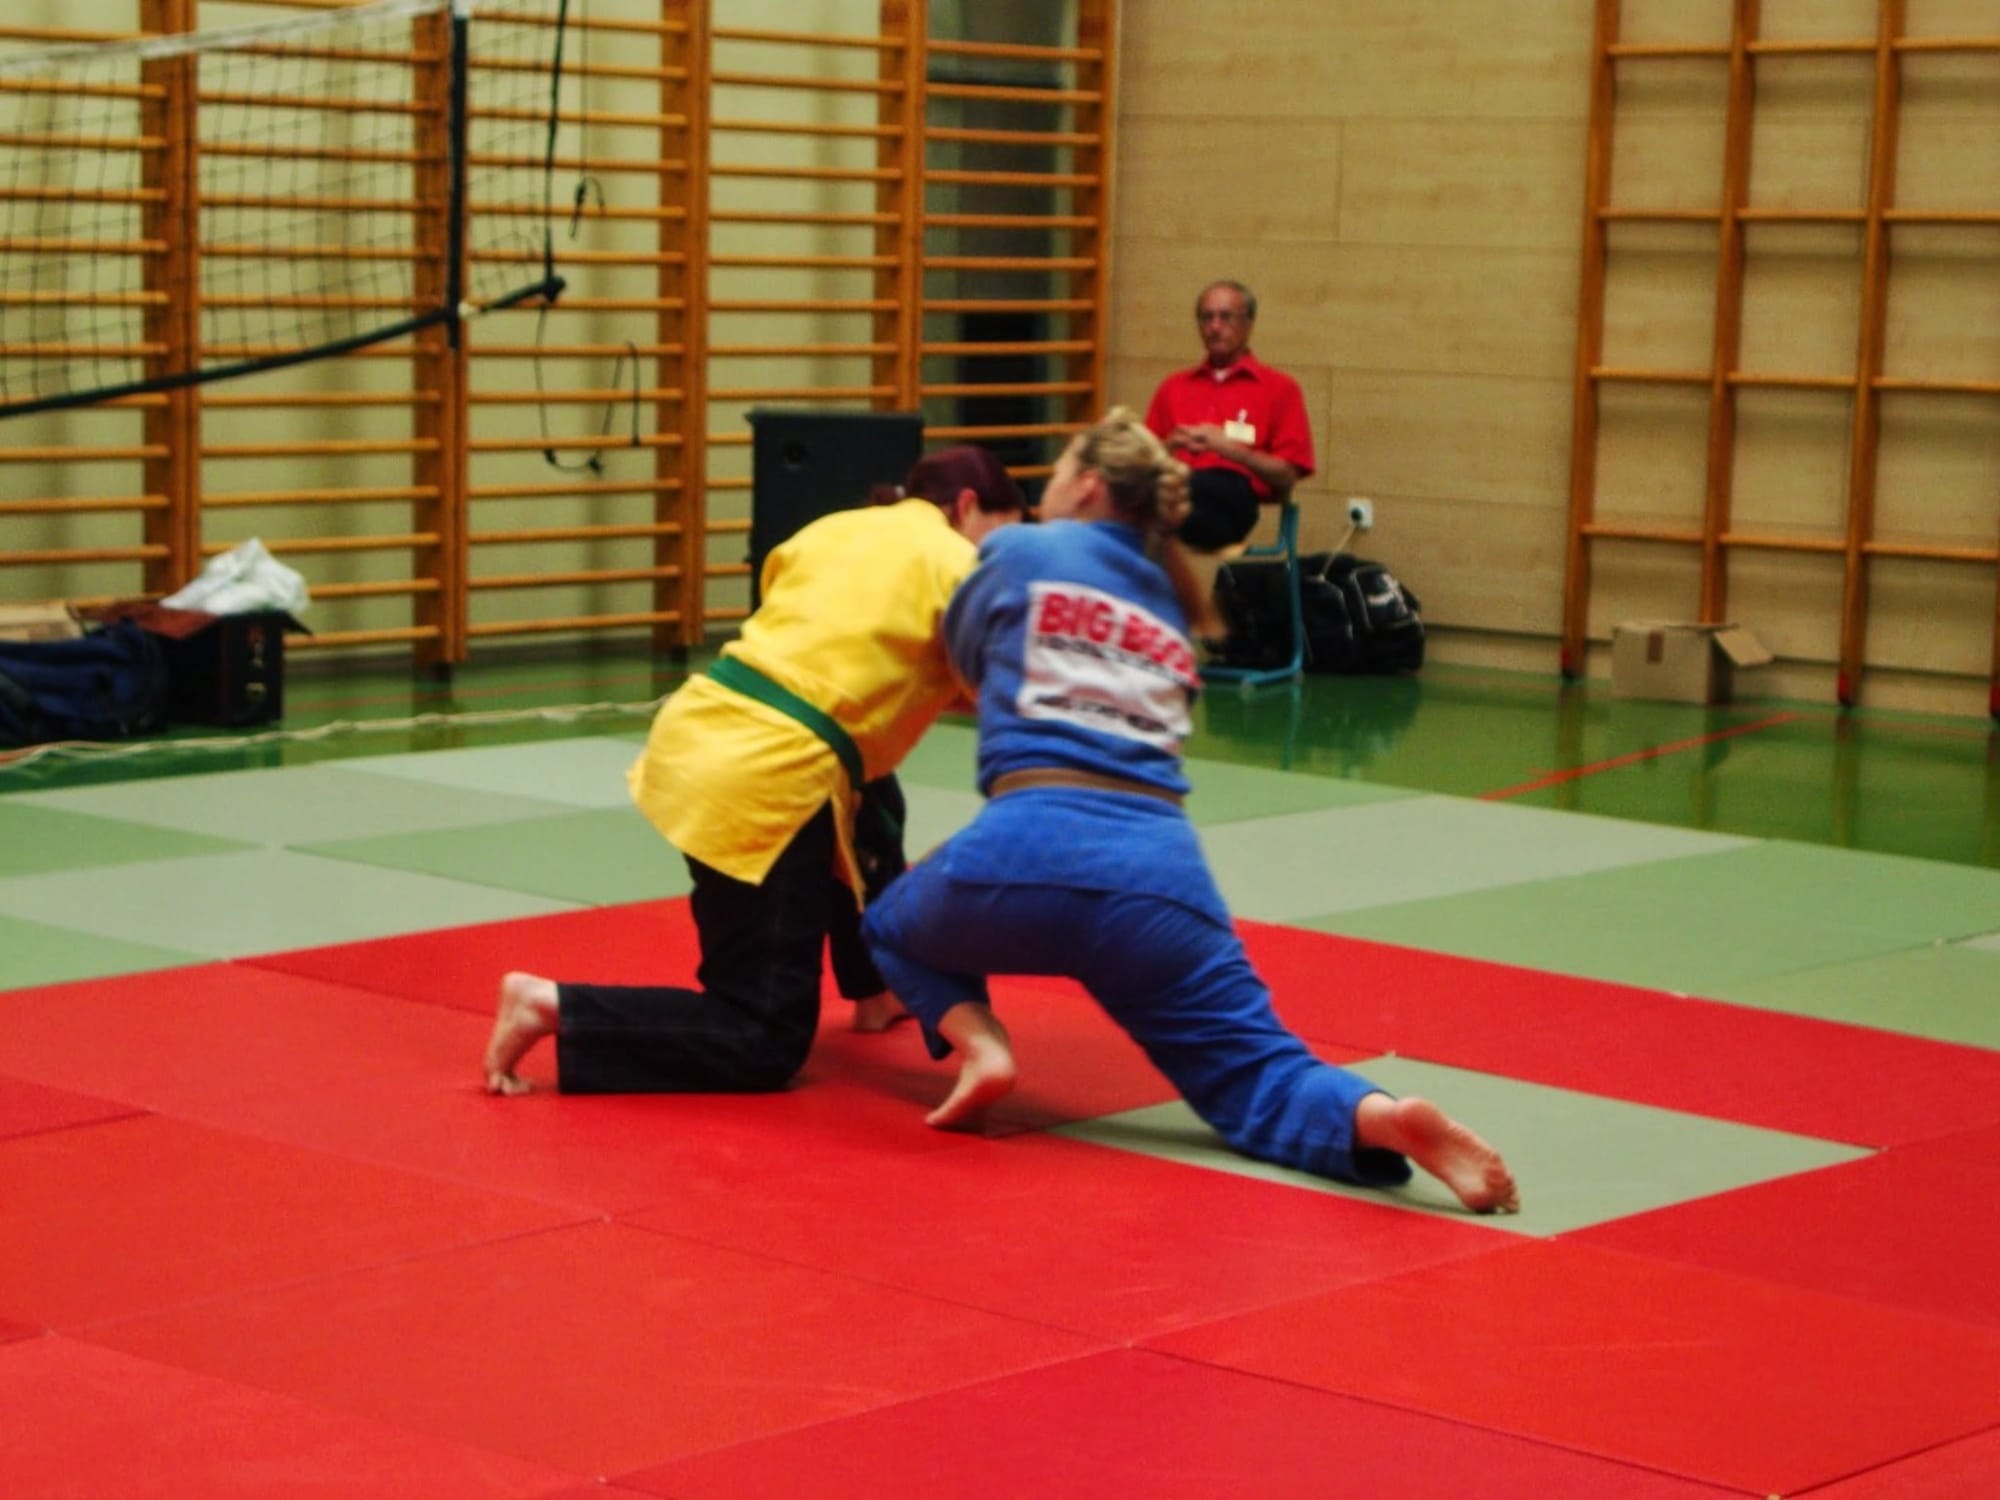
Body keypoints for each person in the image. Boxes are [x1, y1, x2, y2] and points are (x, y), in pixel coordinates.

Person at [860, 409, 1519, 1214]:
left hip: (1027, 847)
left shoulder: (1022, 550)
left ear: (1088, 485)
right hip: (1165, 878)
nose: (1044, 491)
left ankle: (982, 1047)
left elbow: (964, 655)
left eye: (1057, 472)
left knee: (888, 924)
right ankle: (1376, 1116)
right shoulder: (1170, 601)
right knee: (1256, 1071)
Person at [482, 447, 1026, 1096]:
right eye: (1006, 533)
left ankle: (874, 991)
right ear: (967, 506)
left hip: (705, 727)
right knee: (762, 1033)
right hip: (767, 771)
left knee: (873, 802)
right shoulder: (960, 564)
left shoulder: (833, 528)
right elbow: (992, 687)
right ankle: (553, 1006)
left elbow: (810, 637)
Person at [1144, 279, 1315, 553]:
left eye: (1225, 317)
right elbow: (1142, 463)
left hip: (1231, 497)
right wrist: (1170, 445)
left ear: (1248, 324)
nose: (1215, 327)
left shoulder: (1280, 389)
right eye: (1207, 318)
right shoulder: (1173, 387)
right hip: (1175, 492)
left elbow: (1286, 476)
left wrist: (1229, 449)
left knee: (1195, 489)